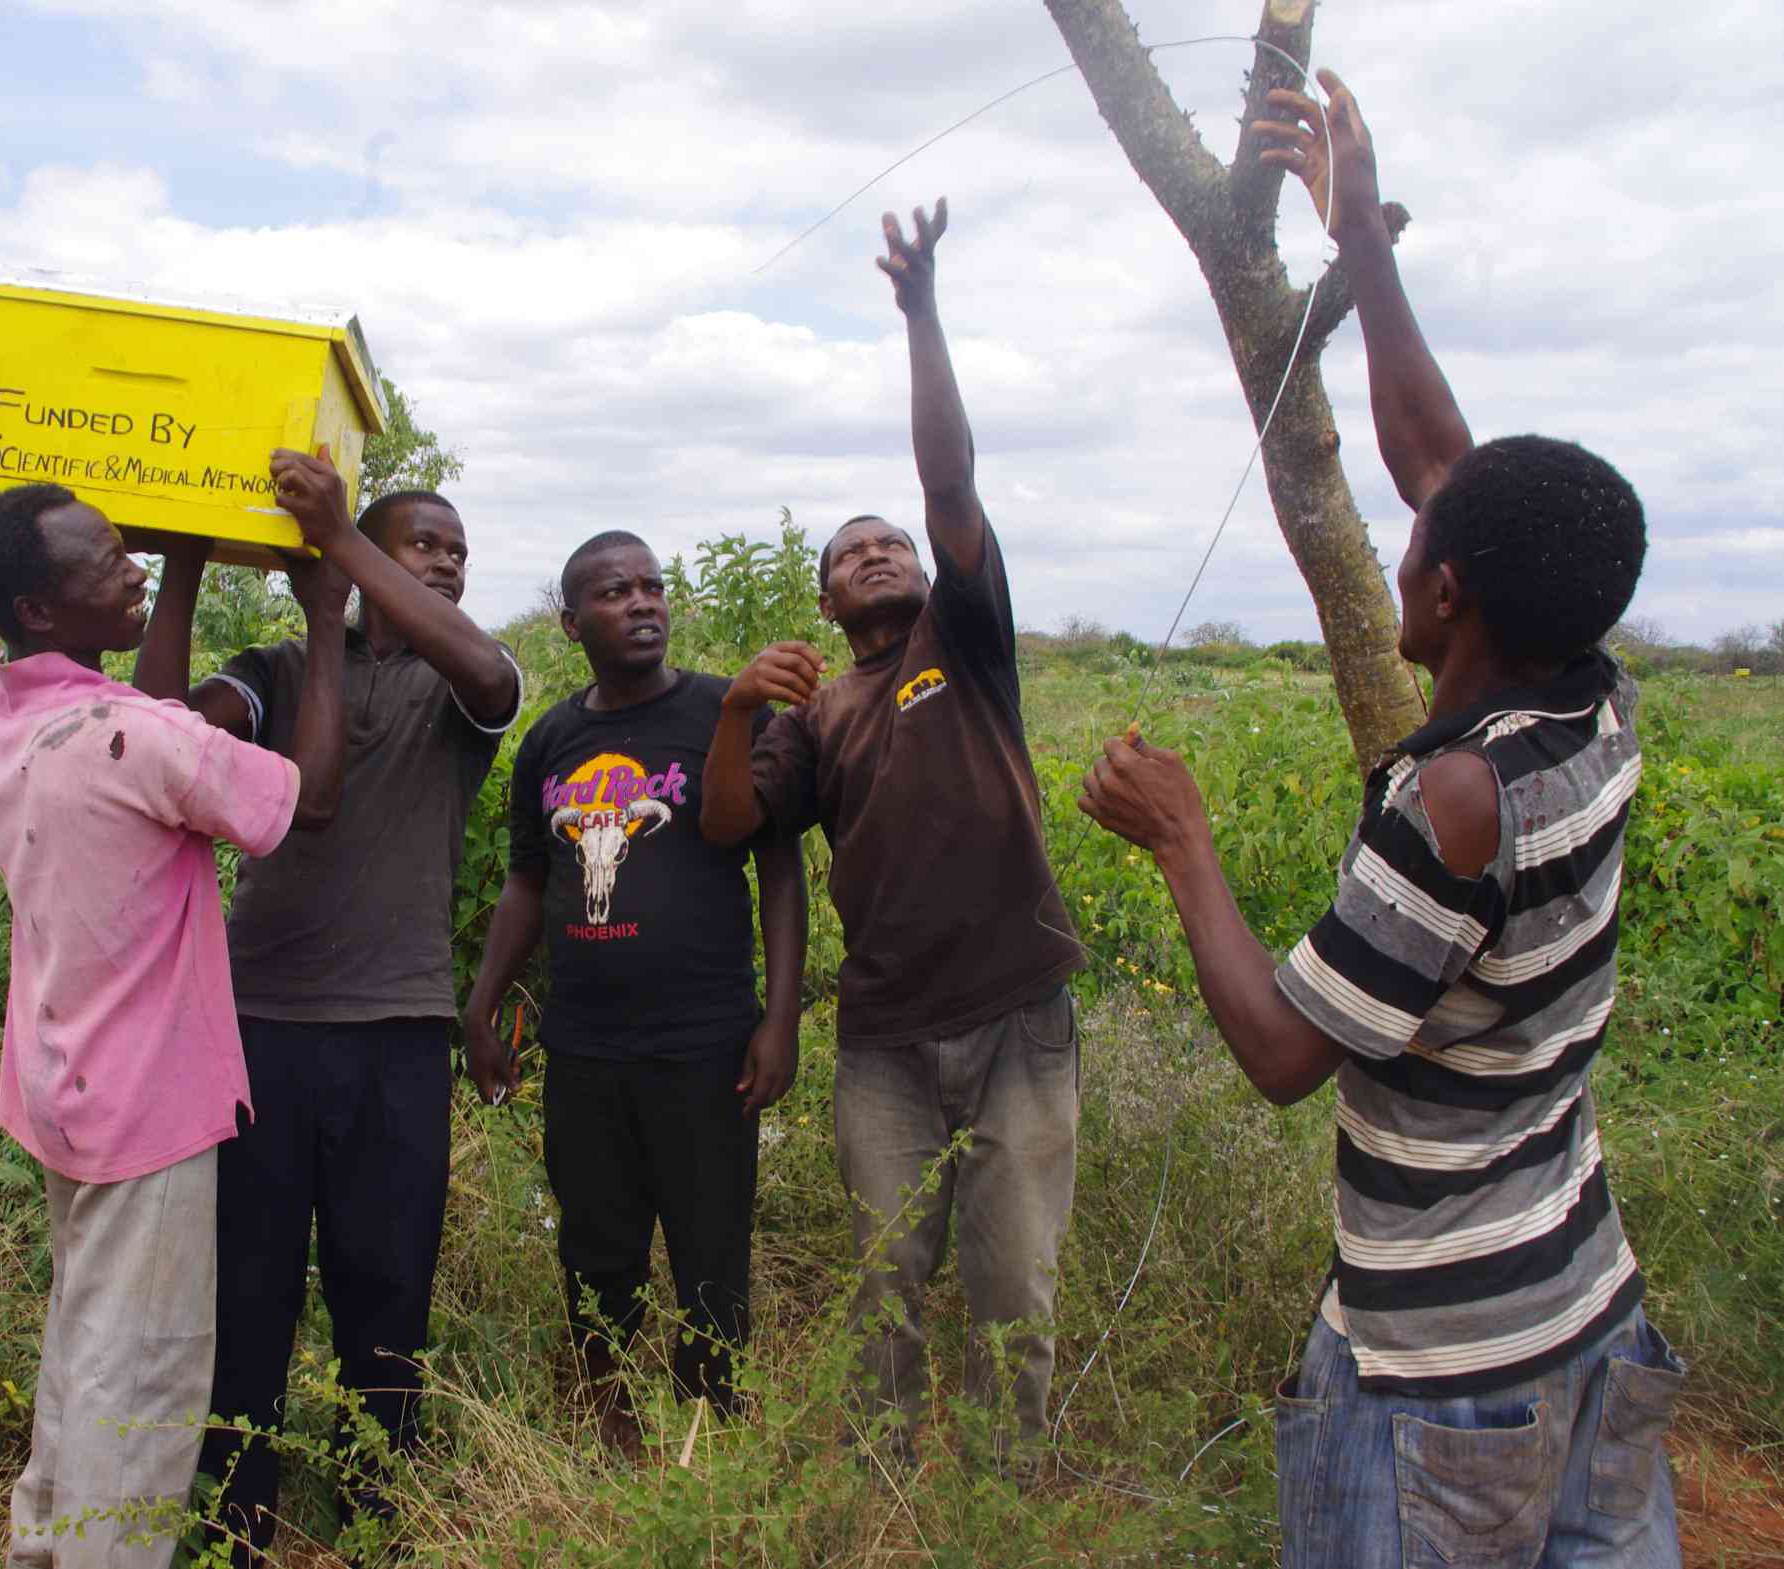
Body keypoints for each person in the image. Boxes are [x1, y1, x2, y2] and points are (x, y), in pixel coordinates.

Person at [1076, 72, 1679, 1569]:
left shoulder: (1456, 797)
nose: (1409, 522)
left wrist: (1181, 841)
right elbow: (1440, 464)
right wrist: (1363, 248)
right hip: (1592, 1316)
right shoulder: (1592, 705)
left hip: (1440, 1380)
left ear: (1448, 588)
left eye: (1424, 537)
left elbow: (1286, 1056)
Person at [699, 200, 1087, 1461]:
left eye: (890, 543)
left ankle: (1004, 1496)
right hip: (880, 1039)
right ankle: (881, 1491)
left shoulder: (961, 644)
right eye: (850, 552)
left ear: (929, 570)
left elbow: (949, 481)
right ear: (821, 594)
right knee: (885, 1281)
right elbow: (733, 823)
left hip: (1017, 1013)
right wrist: (743, 706)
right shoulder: (820, 712)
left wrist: (920, 312)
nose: (874, 554)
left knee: (1011, 1286)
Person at [0, 450, 351, 1569]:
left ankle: (45, 1546)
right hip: (148, 1103)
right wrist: (323, 617)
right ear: (38, 605)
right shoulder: (137, 740)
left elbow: (138, 713)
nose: (126, 570)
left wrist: (174, 566)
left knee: (85, 1340)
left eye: (130, 547)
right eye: (105, 563)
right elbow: (306, 800)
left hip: (59, 1080)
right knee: (148, 1375)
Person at [164, 486, 521, 1560]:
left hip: (399, 1032)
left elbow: (496, 678)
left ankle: (376, 1521)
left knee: (386, 1290)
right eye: (429, 542)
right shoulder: (274, 668)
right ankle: (236, 1523)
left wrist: (341, 543)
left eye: (460, 550)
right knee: (249, 1293)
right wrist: (316, 610)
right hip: (260, 1024)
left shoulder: (455, 685)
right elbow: (177, 731)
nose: (449, 563)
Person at [460, 530, 806, 1454]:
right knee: (597, 1247)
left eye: (653, 586)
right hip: (584, 1046)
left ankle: (711, 1416)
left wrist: (780, 1016)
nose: (643, 602)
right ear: (572, 623)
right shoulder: (550, 743)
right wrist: (482, 1005)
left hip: (705, 1040)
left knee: (711, 1246)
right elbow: (528, 881)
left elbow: (779, 870)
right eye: (615, 592)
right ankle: (609, 1414)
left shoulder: (721, 711)